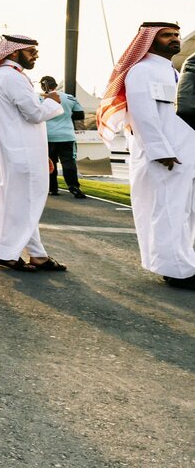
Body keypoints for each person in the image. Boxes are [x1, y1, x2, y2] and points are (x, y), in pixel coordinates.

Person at [103, 23, 195, 289]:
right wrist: (160, 151)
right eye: (167, 35)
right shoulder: (141, 71)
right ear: (149, 41)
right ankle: (175, 269)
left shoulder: (172, 71)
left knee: (183, 212)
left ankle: (182, 262)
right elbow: (142, 115)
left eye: (176, 35)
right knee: (167, 210)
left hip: (184, 154)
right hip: (165, 157)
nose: (175, 40)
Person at [0, 35, 68, 271]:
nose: (36, 55)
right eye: (31, 50)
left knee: (24, 204)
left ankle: (38, 254)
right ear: (14, 52)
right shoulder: (11, 77)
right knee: (23, 204)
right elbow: (34, 114)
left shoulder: (7, 75)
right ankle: (5, 252)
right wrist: (53, 101)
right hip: (20, 153)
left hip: (22, 151)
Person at [40, 75, 87, 198]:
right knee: (69, 162)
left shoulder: (39, 98)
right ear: (55, 85)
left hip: (47, 135)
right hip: (66, 135)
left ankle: (52, 188)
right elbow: (79, 115)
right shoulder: (69, 98)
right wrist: (66, 117)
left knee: (49, 163)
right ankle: (73, 186)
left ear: (41, 86)